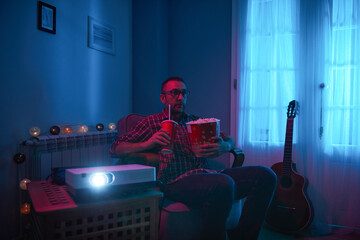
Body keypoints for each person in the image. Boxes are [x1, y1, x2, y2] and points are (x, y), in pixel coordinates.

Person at [110, 77, 277, 240]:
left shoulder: (196, 121)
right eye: (175, 93)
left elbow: (229, 139)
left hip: (208, 174)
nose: (181, 98)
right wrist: (148, 143)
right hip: (175, 181)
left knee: (266, 175)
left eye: (184, 93)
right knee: (223, 183)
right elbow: (116, 148)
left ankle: (243, 236)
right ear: (163, 98)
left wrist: (225, 146)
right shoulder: (152, 123)